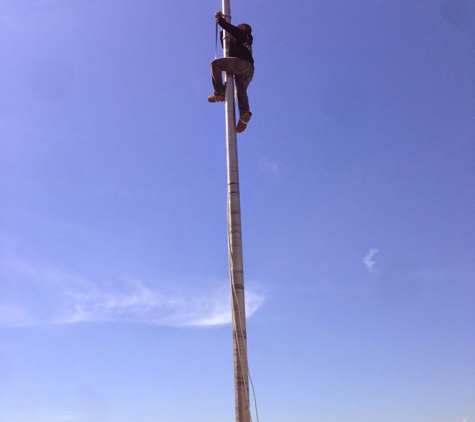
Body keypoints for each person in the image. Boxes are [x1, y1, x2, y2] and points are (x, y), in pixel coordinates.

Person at [208, 11, 254, 133]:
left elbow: (225, 25)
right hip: (249, 70)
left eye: (240, 25)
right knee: (241, 91)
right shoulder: (245, 41)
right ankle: (244, 115)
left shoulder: (242, 34)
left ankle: (220, 92)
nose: (238, 26)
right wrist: (223, 32)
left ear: (244, 28)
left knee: (215, 64)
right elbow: (225, 46)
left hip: (241, 64)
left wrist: (218, 17)